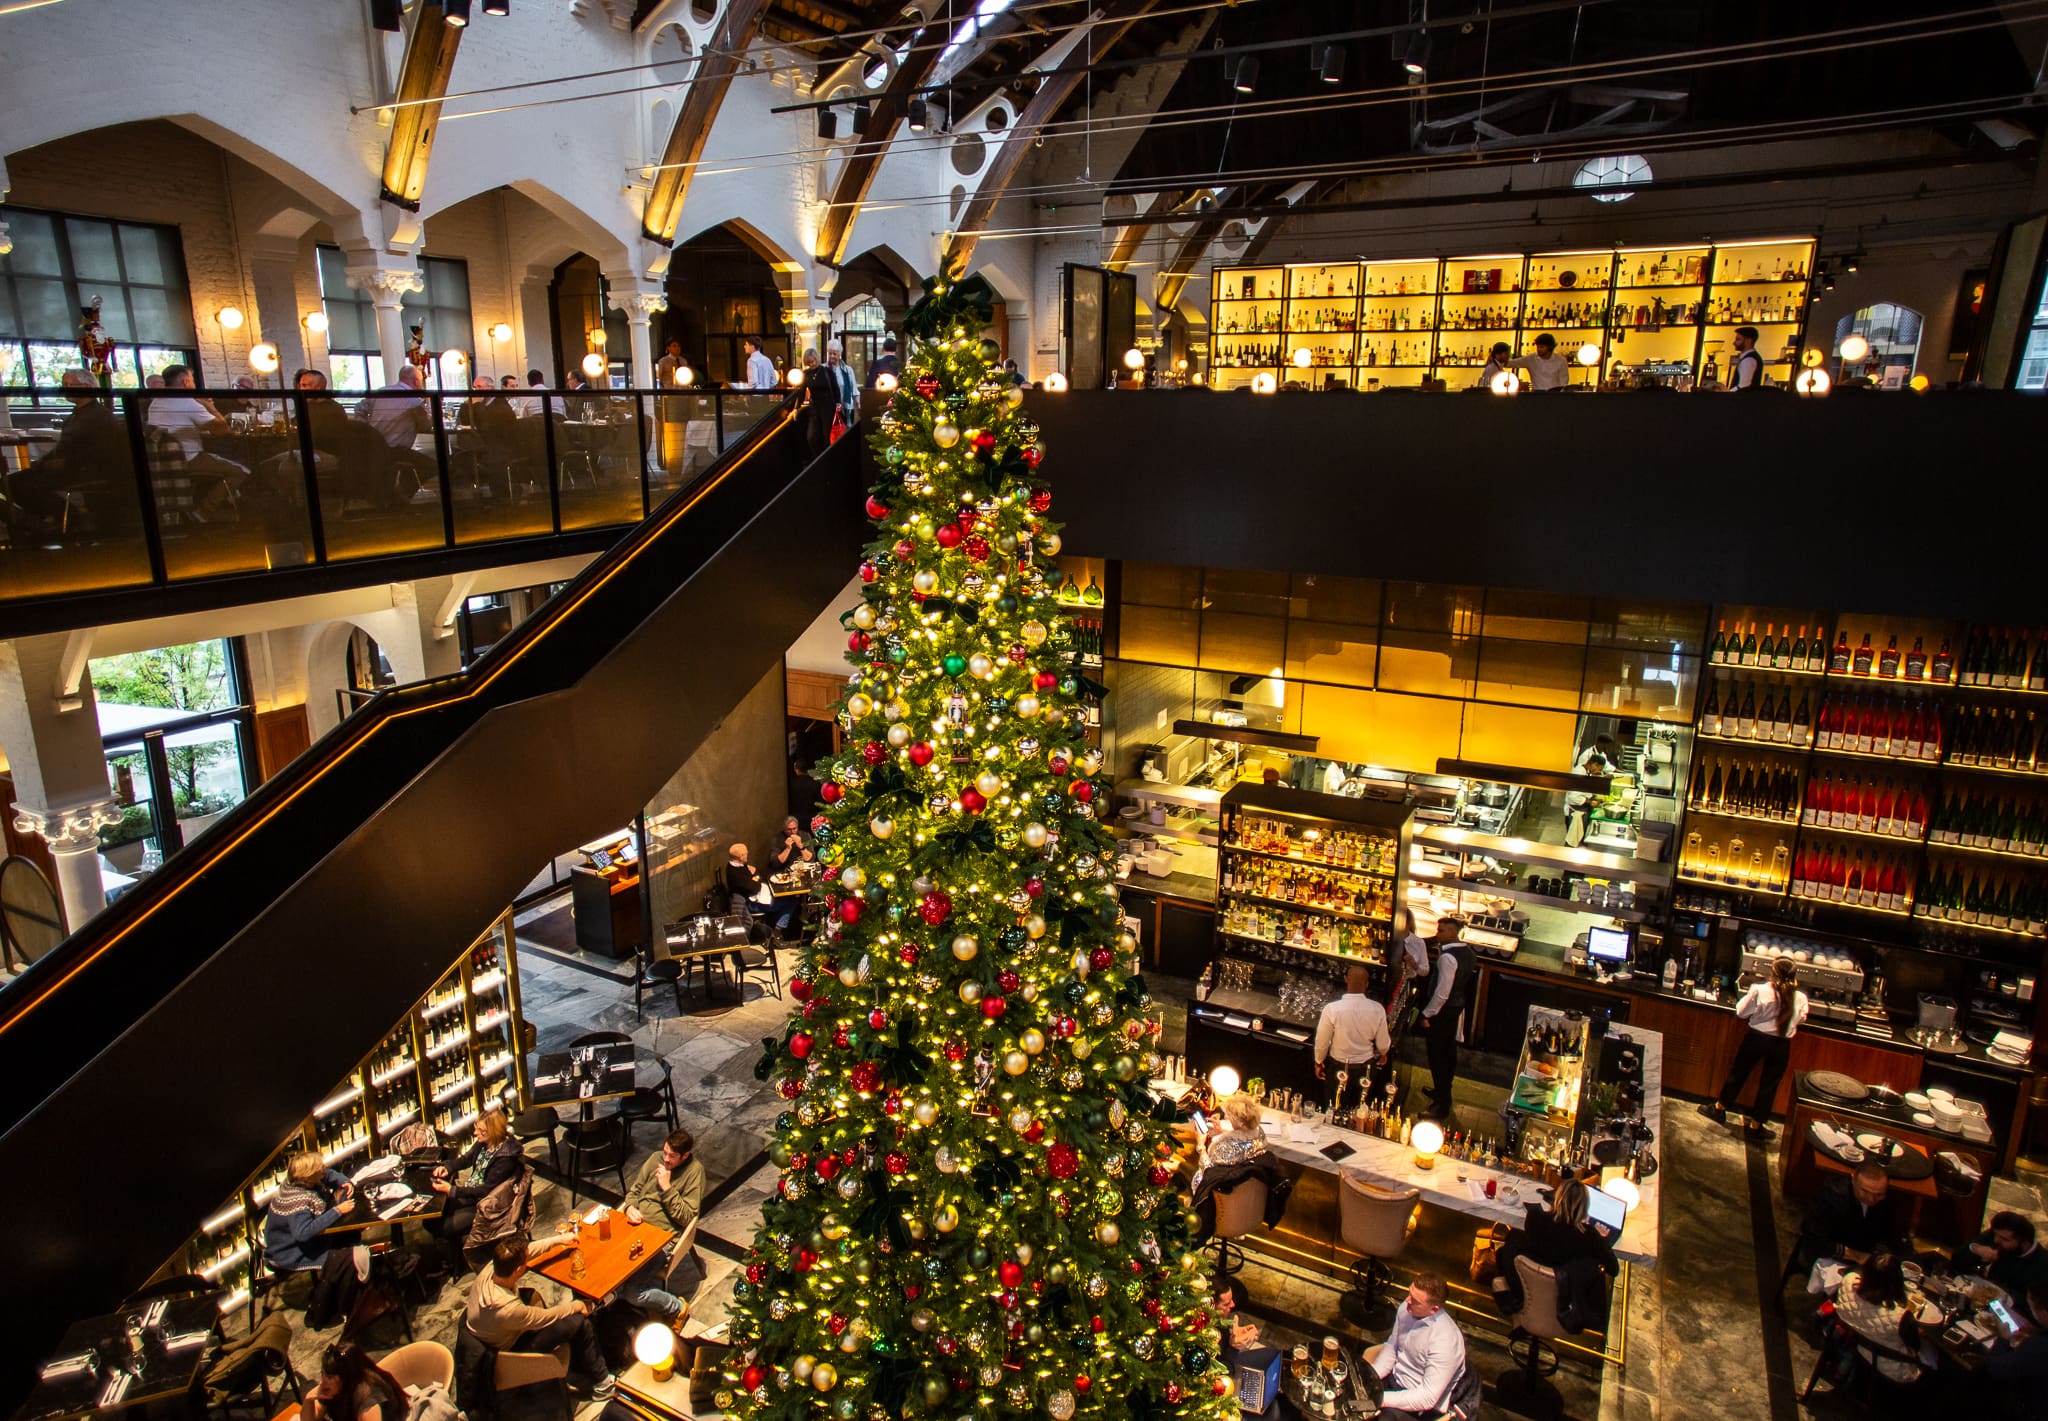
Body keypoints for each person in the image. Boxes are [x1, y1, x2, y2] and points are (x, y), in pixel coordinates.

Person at [464, 1236, 617, 1400]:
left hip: (494, 1331)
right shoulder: (506, 1308)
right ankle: (604, 1385)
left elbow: (529, 1251)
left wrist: (559, 1240)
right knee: (579, 1322)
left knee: (532, 1296)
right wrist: (577, 1306)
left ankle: (579, 1358)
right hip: (509, 1353)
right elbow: (546, 1317)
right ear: (518, 1270)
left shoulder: (492, 1269)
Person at [1700, 956, 1807, 1136]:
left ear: (1773, 973)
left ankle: (1719, 1109)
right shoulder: (1800, 998)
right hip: (1781, 1044)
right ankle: (1756, 1126)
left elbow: (1741, 1012)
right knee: (1769, 1085)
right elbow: (1801, 1018)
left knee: (1739, 1073)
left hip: (1756, 1039)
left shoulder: (1760, 990)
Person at [1490, 1177, 1619, 1320]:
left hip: (1529, 1289)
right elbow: (1614, 1269)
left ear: (1557, 1198)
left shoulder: (1535, 1219)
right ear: (1585, 1207)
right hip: (1564, 1302)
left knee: (1511, 1241)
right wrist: (1601, 1239)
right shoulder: (1589, 1237)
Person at [619, 1127, 706, 1325]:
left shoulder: (694, 1172)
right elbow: (635, 1192)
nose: (666, 1159)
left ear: (685, 1156)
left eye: (672, 1156)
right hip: (635, 1227)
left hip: (662, 1238)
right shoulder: (654, 1160)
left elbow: (687, 1218)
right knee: (608, 1271)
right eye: (665, 1152)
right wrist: (630, 1208)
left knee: (634, 1293)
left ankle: (676, 1307)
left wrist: (667, 1188)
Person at [430, 1108, 524, 1270]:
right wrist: (449, 1167)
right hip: (471, 1194)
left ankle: (455, 1262)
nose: (475, 1134)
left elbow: (486, 1191)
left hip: (486, 1205)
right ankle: (453, 1255)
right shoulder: (484, 1143)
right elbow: (466, 1159)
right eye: (476, 1129)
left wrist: (452, 1190)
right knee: (431, 1216)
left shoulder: (505, 1159)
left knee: (440, 1225)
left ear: (493, 1132)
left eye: (481, 1131)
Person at [1371, 1275, 1467, 1420]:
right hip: (1394, 1380)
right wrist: (1371, 1375)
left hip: (1417, 1405)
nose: (1407, 1301)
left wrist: (1380, 1398)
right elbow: (1392, 1347)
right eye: (1409, 1293)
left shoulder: (1445, 1341)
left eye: (1415, 1301)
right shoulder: (1407, 1308)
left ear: (1434, 1309)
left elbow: (1426, 1398)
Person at [1419, 916, 1476, 1119]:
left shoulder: (1447, 958)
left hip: (1442, 1013)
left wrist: (1427, 1013)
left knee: (1438, 1057)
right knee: (1448, 1054)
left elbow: (1442, 992)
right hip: (1456, 1008)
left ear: (1453, 932)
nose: (1438, 933)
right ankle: (1442, 1092)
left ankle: (1441, 1104)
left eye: (1442, 931)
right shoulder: (1467, 953)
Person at [1313, 963, 1391, 1110]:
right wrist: (1383, 1054)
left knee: (1333, 1109)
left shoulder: (1332, 1009)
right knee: (1360, 1112)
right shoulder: (1377, 1009)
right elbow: (1383, 1044)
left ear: (1346, 980)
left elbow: (1321, 1041)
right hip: (1365, 1069)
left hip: (1338, 1067)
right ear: (1367, 984)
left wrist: (1319, 1062)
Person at [264, 1150, 357, 1273]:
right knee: (345, 1258)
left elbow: (327, 1174)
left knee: (352, 1236)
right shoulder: (297, 1202)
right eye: (320, 1168)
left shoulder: (306, 1180)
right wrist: (337, 1210)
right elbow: (303, 1232)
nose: (324, 1168)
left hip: (306, 1242)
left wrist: (344, 1182)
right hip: (292, 1253)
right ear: (309, 1175)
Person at [1798, 1163, 1900, 1269]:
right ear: (1853, 1180)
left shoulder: (1886, 1201)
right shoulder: (1831, 1195)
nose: (1871, 1199)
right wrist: (1858, 1256)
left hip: (1863, 1258)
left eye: (1878, 1195)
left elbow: (1888, 1235)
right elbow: (1815, 1241)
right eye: (1865, 1191)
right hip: (1827, 1256)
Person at [1954, 1213, 2048, 1319]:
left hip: (2008, 1316)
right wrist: (1975, 1250)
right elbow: (1956, 1260)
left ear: (2025, 1244)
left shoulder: (2043, 1266)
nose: (1995, 1240)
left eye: (2005, 1239)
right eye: (1995, 1235)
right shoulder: (1998, 1236)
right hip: (1973, 1299)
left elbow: (2035, 1309)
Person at [1213, 1275, 1282, 1417]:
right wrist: (1234, 1348)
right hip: (1220, 1383)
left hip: (1229, 1362)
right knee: (1272, 1413)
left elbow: (1224, 1349)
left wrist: (1233, 1337)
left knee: (1273, 1356)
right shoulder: (1204, 1336)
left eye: (1231, 1300)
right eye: (1226, 1304)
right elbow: (1220, 1375)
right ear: (1210, 1306)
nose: (1232, 1305)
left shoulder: (1218, 1321)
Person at [298, 1344, 406, 1421]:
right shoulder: (333, 1388)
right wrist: (309, 1399)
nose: (322, 1381)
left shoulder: (367, 1402)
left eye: (329, 1376)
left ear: (346, 1377)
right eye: (323, 1373)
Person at [145, 363, 226, 457]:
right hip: (190, 459)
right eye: (193, 380)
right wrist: (209, 406)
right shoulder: (188, 403)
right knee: (241, 469)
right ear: (186, 382)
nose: (194, 384)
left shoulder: (155, 403)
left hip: (165, 459)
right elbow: (222, 430)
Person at [363, 364, 431, 450]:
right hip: (397, 452)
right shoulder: (415, 401)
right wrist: (429, 403)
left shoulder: (380, 392)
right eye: (421, 381)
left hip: (373, 449)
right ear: (416, 382)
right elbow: (426, 427)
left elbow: (359, 408)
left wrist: (365, 429)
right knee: (430, 462)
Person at [799, 349, 837, 458]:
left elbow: (835, 388)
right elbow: (801, 391)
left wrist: (838, 403)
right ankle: (817, 457)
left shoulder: (826, 371)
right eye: (809, 362)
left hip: (828, 406)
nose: (812, 364)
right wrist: (796, 408)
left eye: (813, 361)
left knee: (826, 436)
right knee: (811, 436)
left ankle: (827, 458)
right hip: (815, 407)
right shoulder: (806, 374)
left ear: (817, 359)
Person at [824, 339, 858, 428]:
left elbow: (854, 390)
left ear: (839, 354)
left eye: (834, 354)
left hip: (846, 408)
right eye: (830, 353)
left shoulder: (848, 370)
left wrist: (859, 404)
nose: (832, 356)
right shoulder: (823, 369)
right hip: (828, 408)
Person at [1727, 326, 1765, 391]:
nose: (1734, 343)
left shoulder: (1749, 360)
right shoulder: (1749, 358)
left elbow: (1744, 385)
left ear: (1748, 341)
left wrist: (1727, 394)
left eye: (1738, 339)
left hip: (1743, 399)